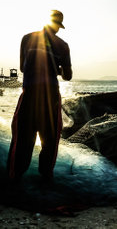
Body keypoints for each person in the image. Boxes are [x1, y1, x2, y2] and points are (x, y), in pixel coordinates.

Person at [7, 10, 72, 182]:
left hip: (30, 92)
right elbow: (68, 76)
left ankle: (15, 177)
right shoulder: (62, 45)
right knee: (50, 139)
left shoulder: (27, 38)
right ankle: (46, 177)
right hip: (50, 96)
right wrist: (57, 69)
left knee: (22, 137)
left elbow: (22, 68)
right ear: (58, 26)